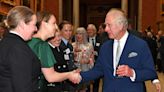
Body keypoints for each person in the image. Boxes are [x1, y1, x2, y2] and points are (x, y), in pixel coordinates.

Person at [73, 8, 158, 92]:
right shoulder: (105, 47)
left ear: (120, 25)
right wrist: (79, 76)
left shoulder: (140, 45)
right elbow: (98, 70)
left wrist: (132, 73)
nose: (106, 29)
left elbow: (150, 72)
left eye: (109, 25)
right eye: (106, 25)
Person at [28, 11, 78, 92]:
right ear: (44, 24)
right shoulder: (42, 45)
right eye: (53, 23)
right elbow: (51, 77)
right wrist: (70, 74)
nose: (56, 27)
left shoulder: (28, 40)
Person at [0, 6, 41, 92]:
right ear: (22, 24)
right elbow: (22, 87)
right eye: (34, 25)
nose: (36, 29)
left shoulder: (6, 41)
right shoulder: (18, 48)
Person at [72, 27, 94, 91]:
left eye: (80, 34)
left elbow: (92, 58)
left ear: (84, 35)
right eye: (77, 34)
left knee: (85, 88)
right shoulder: (72, 45)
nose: (78, 36)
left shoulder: (89, 46)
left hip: (85, 70)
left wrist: (88, 61)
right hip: (75, 70)